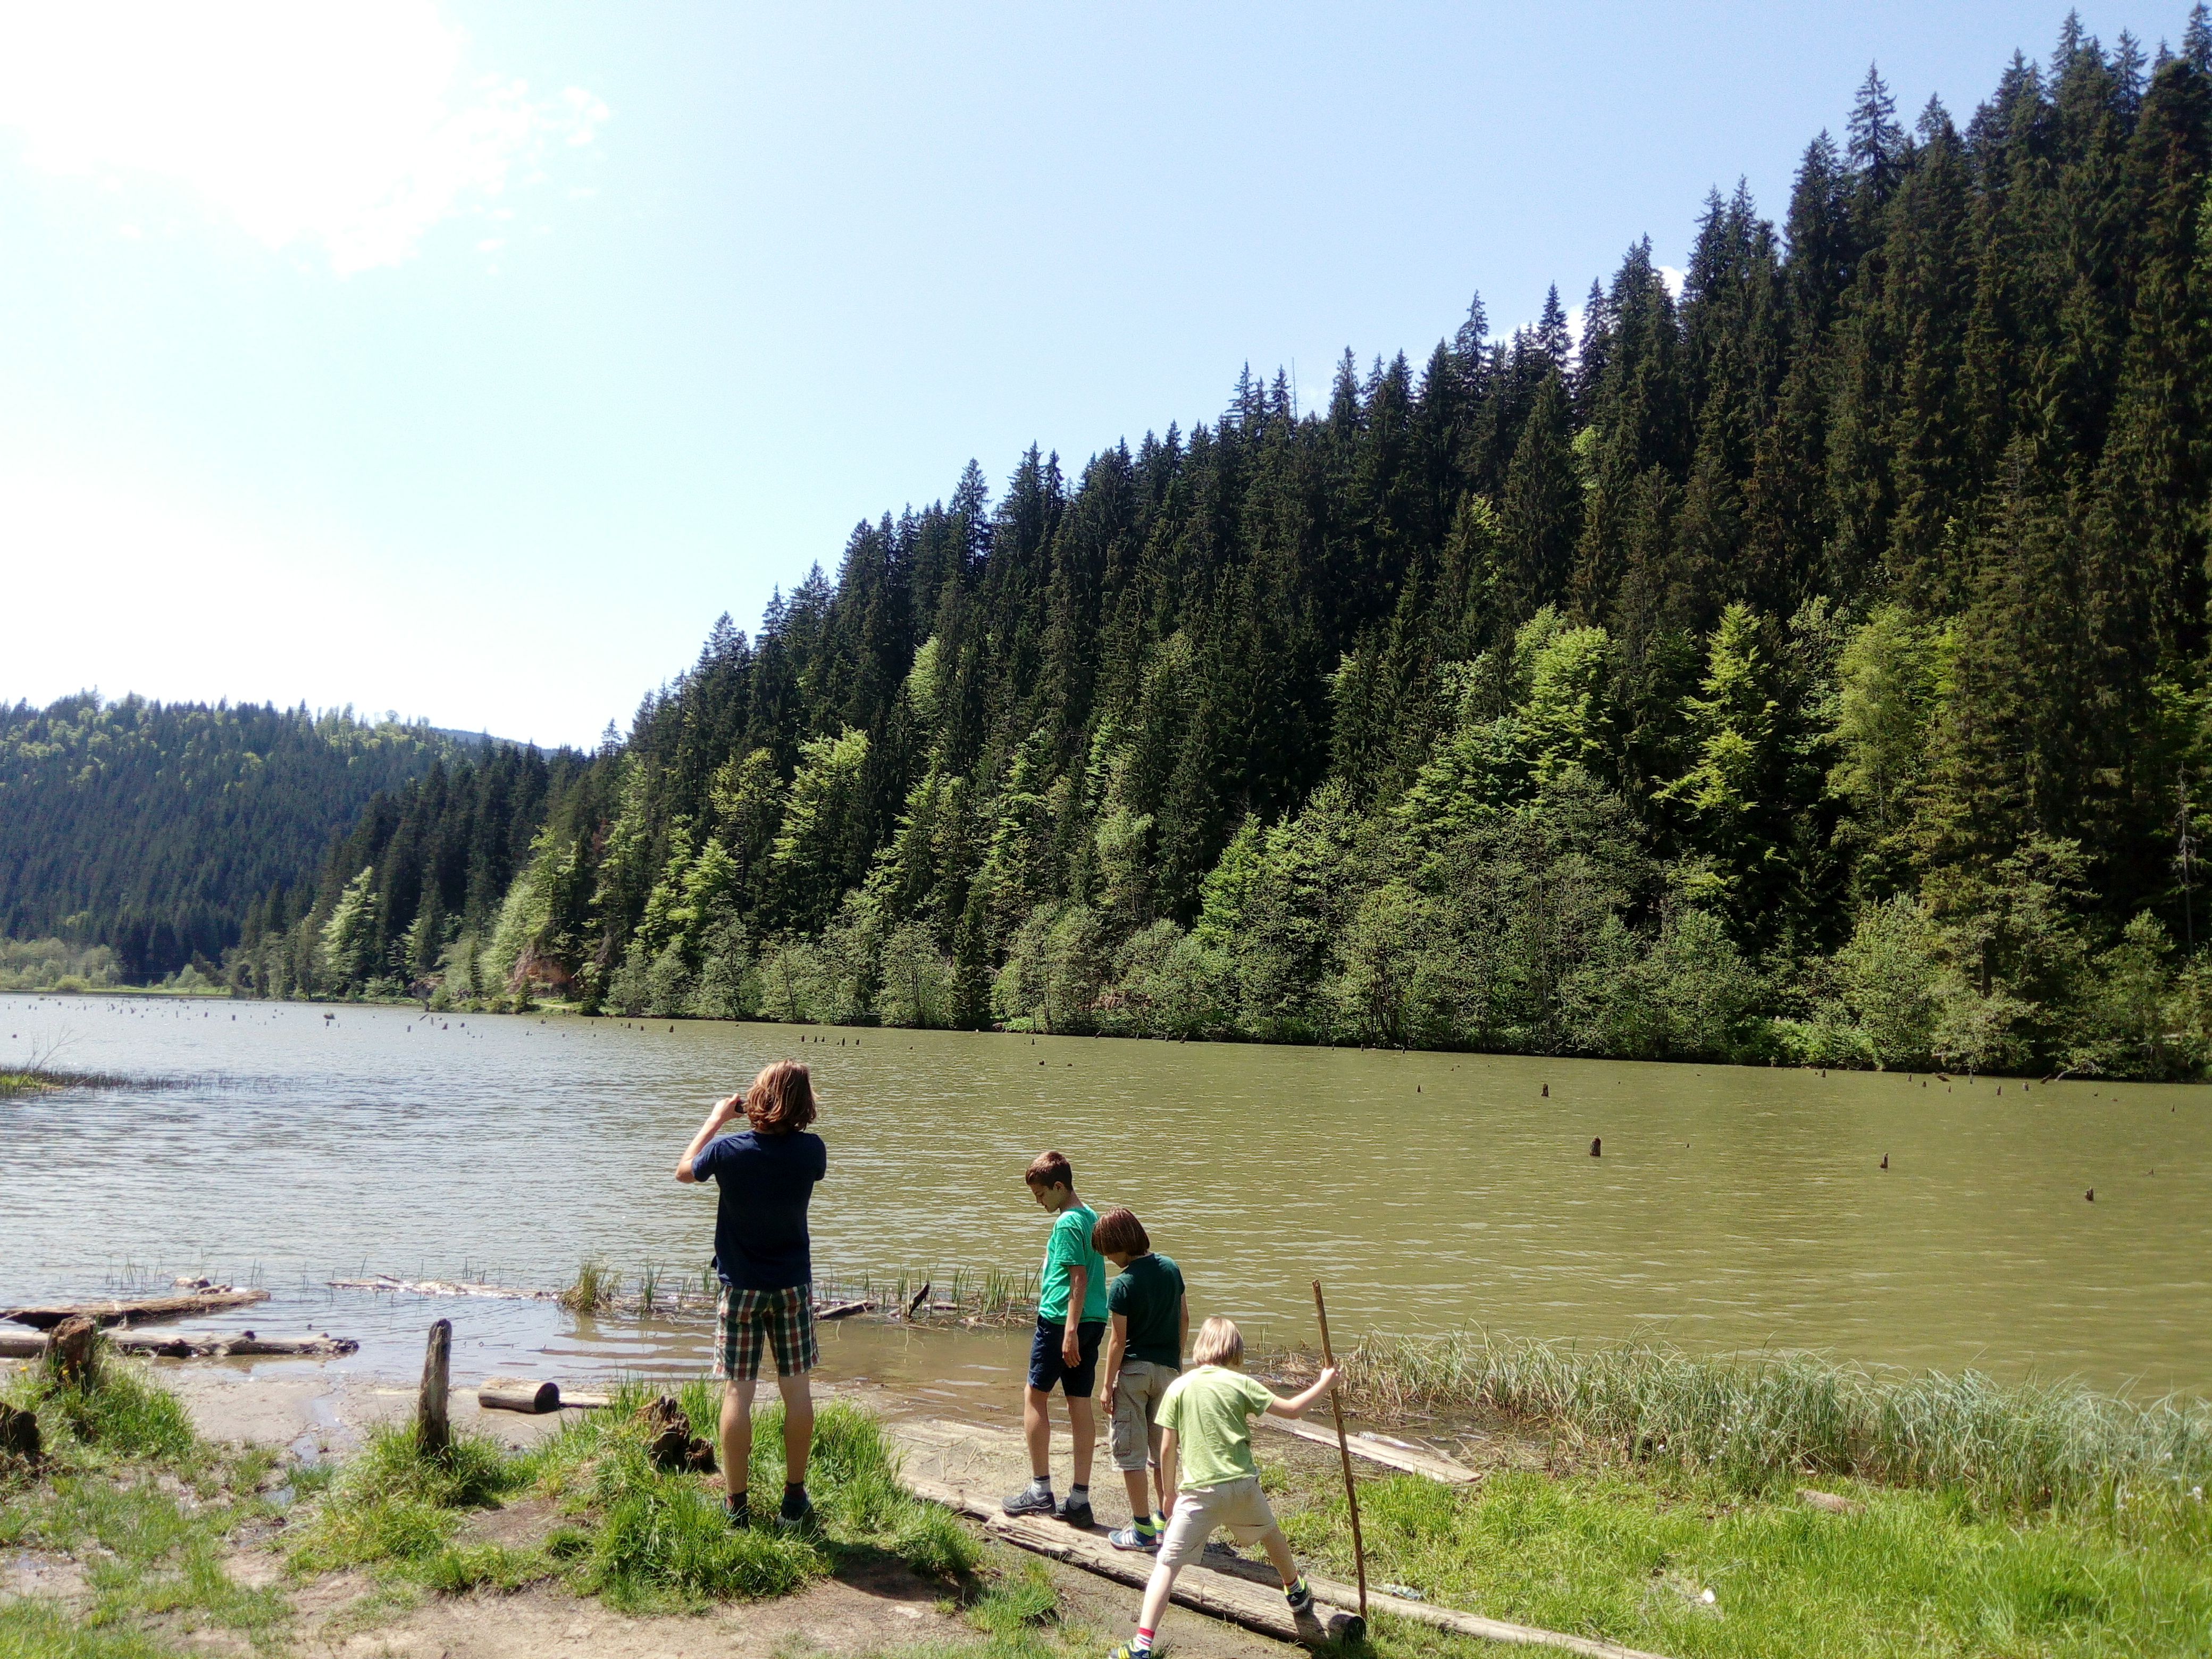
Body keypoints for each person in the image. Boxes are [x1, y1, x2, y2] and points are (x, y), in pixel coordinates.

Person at [1109, 1317, 1340, 1659]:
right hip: (1243, 1486)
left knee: (1167, 1565)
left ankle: (1142, 1644)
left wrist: (1169, 1495)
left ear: (1201, 1348)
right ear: (1236, 1352)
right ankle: (1295, 1589)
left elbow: (1166, 1449)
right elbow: (1292, 1410)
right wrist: (1324, 1383)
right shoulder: (1239, 1383)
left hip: (1200, 1493)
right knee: (1271, 1533)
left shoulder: (1179, 1387)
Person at [674, 1059, 826, 1528]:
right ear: (804, 1106)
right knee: (796, 1390)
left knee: (738, 1392)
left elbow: (683, 1172)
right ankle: (794, 1501)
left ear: (756, 1100)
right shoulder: (812, 1152)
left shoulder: (729, 1150)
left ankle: (736, 1506)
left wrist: (717, 1118)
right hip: (792, 1287)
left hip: (739, 1288)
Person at [1003, 1149, 1108, 1527]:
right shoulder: (1091, 1216)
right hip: (1095, 1319)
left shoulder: (1066, 1224)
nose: (1038, 1203)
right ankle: (1079, 1500)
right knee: (1080, 1403)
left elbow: (1078, 1279)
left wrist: (1067, 1334)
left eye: (1041, 1195)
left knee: (1035, 1397)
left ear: (1059, 1187)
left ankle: (1040, 1490)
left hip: (1062, 1323)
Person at [1091, 1206, 1186, 1551]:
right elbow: (1184, 1318)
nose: (1109, 1259)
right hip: (1168, 1372)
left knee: (1129, 1452)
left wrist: (1106, 1386)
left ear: (1121, 1245)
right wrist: (1176, 1362)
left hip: (1133, 1374)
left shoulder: (1124, 1284)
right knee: (1164, 1451)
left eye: (1109, 1252)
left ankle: (1143, 1530)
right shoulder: (1171, 1268)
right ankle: (1167, 1523)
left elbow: (1117, 1341)